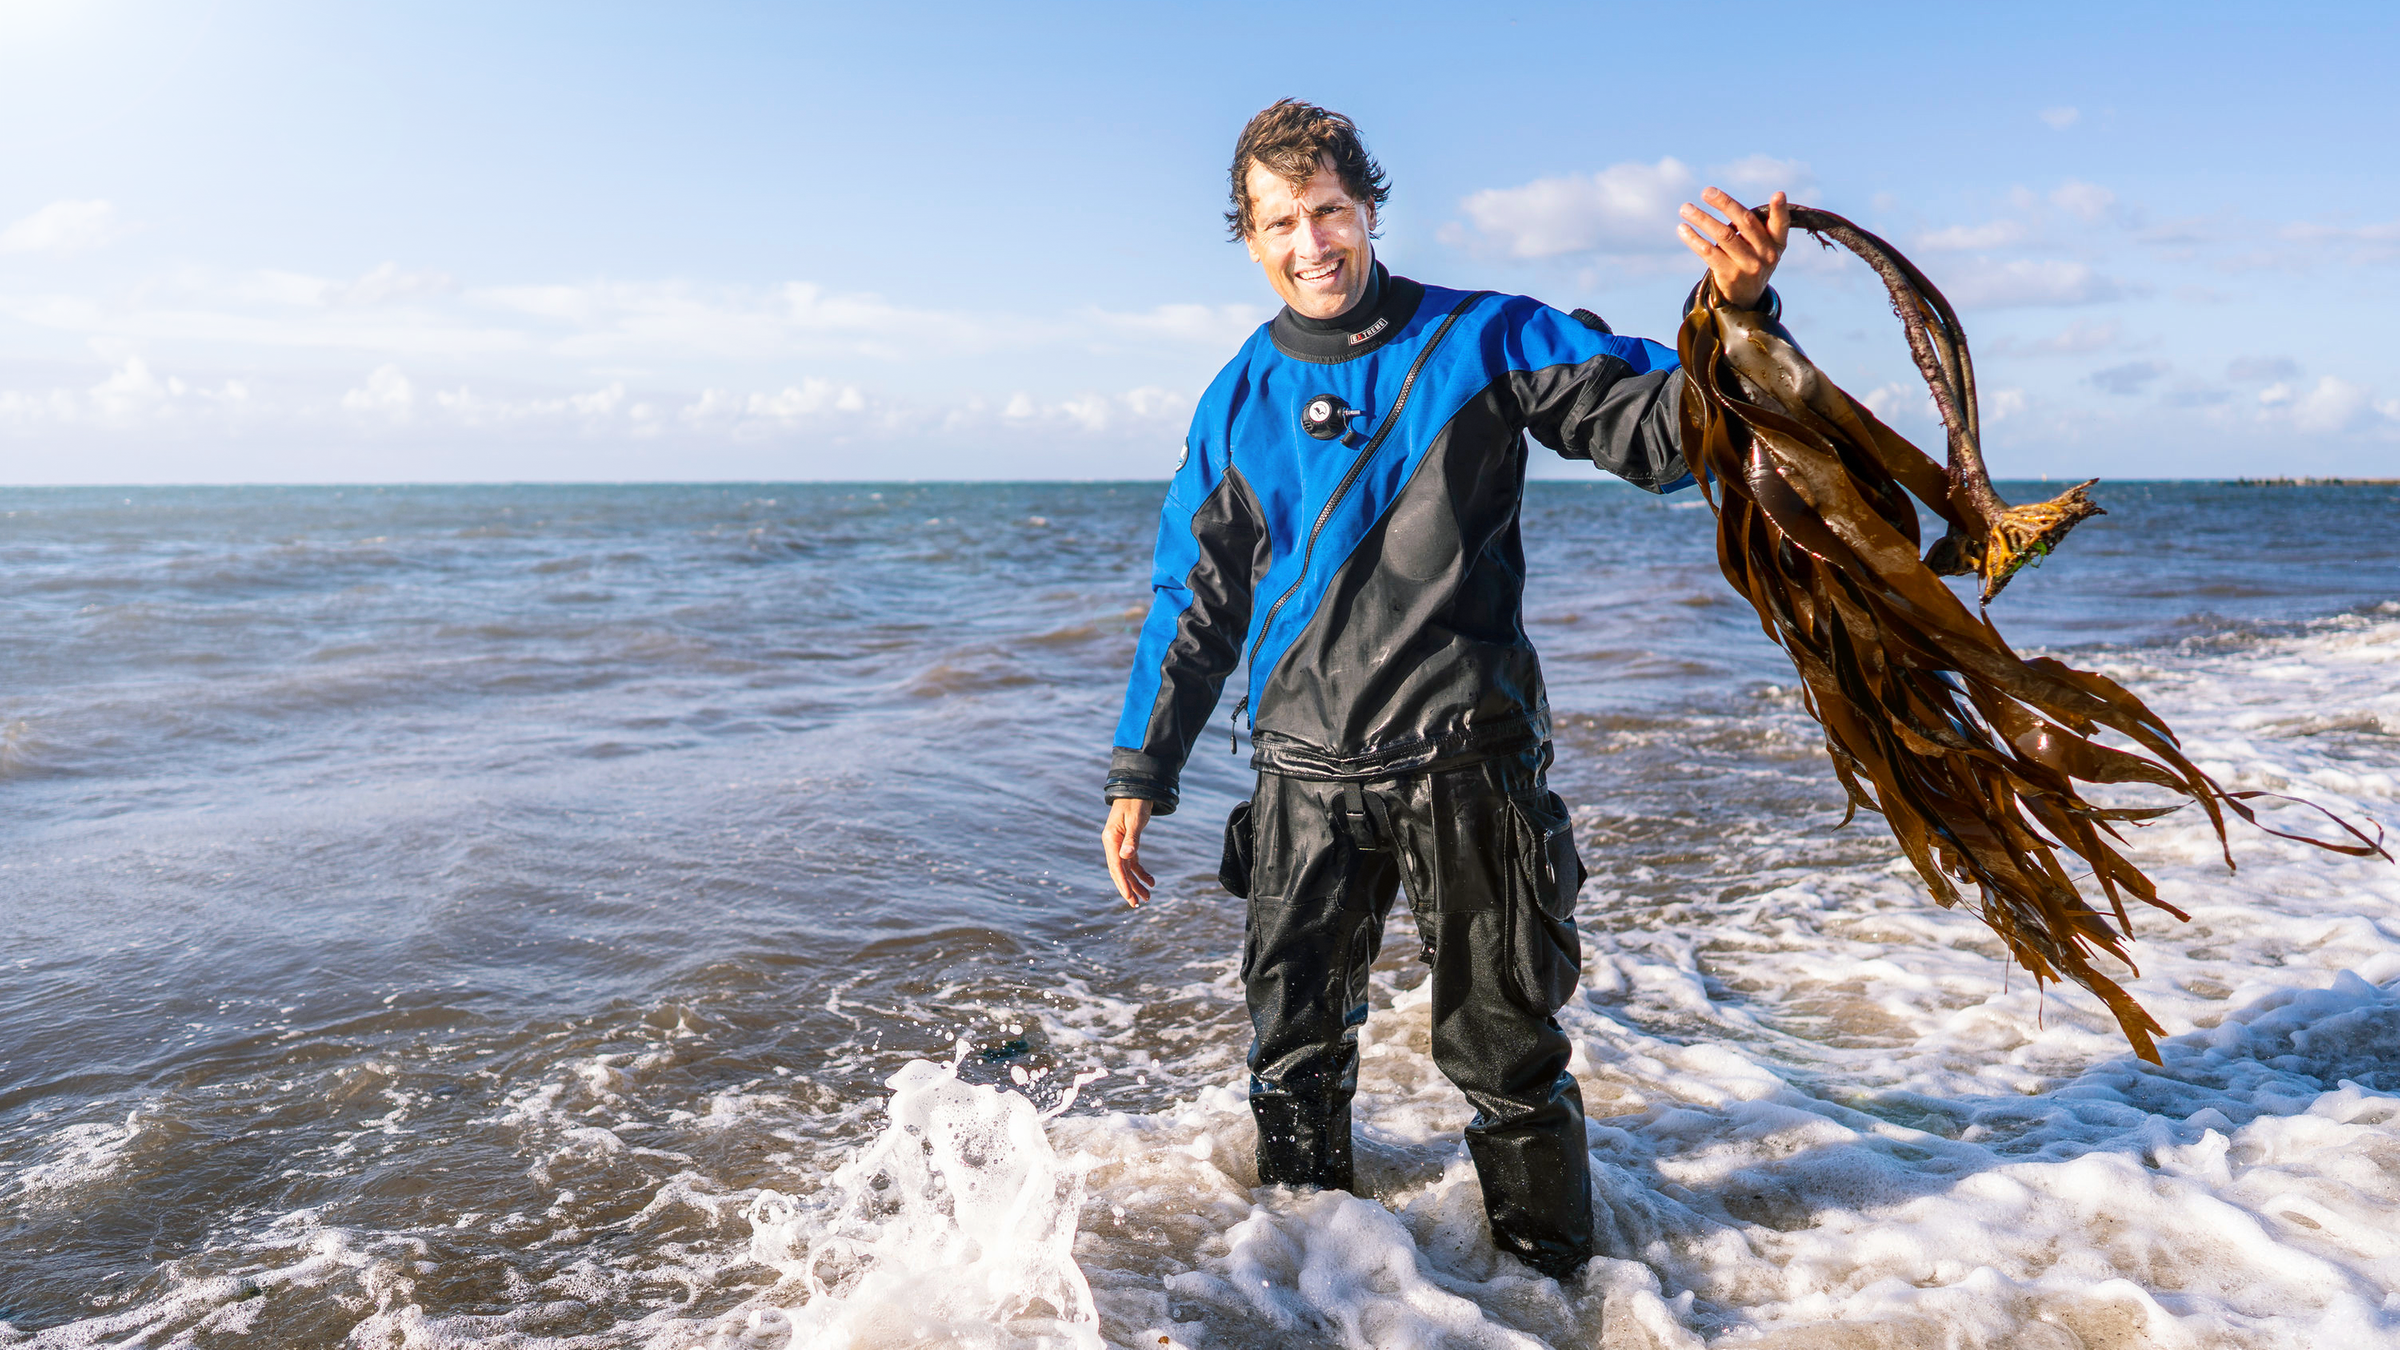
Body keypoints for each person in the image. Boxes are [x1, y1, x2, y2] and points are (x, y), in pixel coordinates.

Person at [1099, 98, 1788, 1280]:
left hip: (1470, 772)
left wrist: (1738, 316)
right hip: (1301, 787)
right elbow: (1193, 603)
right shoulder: (1233, 403)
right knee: (1294, 1057)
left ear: (1369, 209)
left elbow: (1670, 441)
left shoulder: (1488, 338)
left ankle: (1557, 1296)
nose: (1310, 241)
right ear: (1250, 239)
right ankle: (1315, 1302)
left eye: (1327, 210)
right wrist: (1141, 772)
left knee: (1508, 1060)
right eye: (1279, 221)